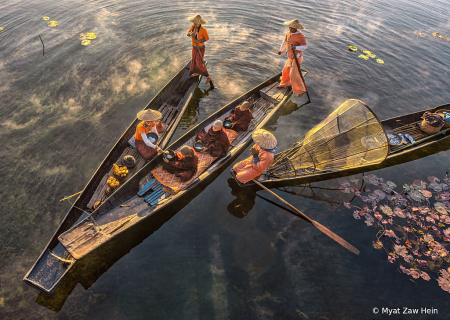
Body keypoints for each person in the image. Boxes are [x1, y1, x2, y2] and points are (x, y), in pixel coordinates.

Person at [277, 19, 308, 97]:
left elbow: (305, 46)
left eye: (292, 28)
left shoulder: (300, 36)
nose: (290, 29)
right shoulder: (288, 33)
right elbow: (285, 42)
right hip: (290, 56)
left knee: (294, 75)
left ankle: (302, 90)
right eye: (289, 27)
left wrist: (296, 47)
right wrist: (280, 50)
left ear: (296, 28)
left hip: (297, 57)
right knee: (285, 70)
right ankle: (284, 84)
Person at [187, 14, 212, 85]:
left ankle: (208, 76)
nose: (194, 24)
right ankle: (197, 73)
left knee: (199, 62)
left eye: (196, 23)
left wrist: (199, 41)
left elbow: (207, 38)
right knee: (194, 60)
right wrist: (190, 34)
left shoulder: (203, 30)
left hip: (200, 48)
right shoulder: (193, 27)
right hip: (194, 47)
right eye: (194, 23)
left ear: (199, 23)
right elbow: (187, 33)